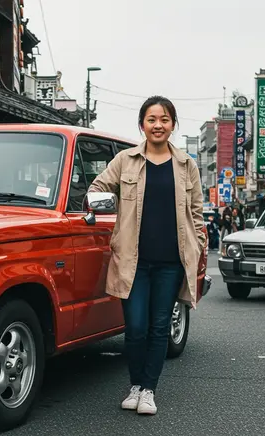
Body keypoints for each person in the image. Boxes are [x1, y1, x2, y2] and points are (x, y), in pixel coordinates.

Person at [87, 96, 205, 415]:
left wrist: (200, 246)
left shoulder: (185, 165)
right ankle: (135, 385)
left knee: (159, 326)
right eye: (152, 119)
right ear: (142, 125)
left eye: (164, 119)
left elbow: (196, 212)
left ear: (173, 125)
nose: (158, 125)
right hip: (133, 261)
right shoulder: (126, 160)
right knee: (136, 327)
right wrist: (103, 206)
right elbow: (98, 189)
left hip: (171, 262)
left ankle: (149, 390)